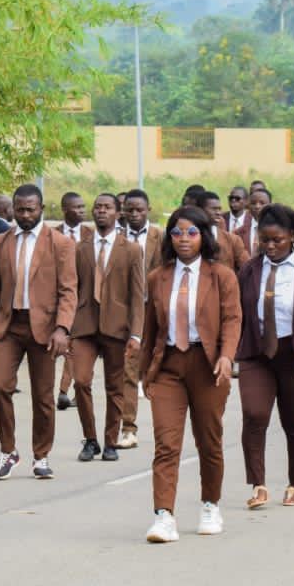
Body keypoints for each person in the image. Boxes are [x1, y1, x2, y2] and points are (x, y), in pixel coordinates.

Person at [141, 206, 241, 542]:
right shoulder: (158, 277)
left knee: (208, 441)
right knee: (166, 443)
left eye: (192, 232)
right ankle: (163, 516)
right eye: (177, 233)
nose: (184, 239)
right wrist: (145, 374)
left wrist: (227, 357)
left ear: (204, 236)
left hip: (207, 365)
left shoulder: (221, 276)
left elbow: (232, 320)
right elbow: (150, 327)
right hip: (168, 366)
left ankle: (210, 504)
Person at [236, 204, 294, 508]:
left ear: (291, 236)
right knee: (254, 414)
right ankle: (258, 485)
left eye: (277, 240)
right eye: (265, 240)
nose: (271, 247)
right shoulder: (249, 270)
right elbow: (236, 313)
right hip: (257, 353)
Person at [0, 184, 77, 480]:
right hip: (9, 326)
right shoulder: (1, 241)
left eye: (31, 209)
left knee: (43, 396)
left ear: (41, 210)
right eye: (20, 209)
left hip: (46, 329)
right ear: (12, 209)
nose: (25, 215)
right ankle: (8, 450)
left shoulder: (60, 243)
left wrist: (62, 328)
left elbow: (68, 290)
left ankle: (41, 455)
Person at [71, 194, 144, 462]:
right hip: (84, 326)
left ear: (118, 213)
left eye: (107, 207)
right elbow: (72, 289)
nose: (101, 211)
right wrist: (66, 326)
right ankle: (90, 439)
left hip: (117, 327)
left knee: (115, 387)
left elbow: (137, 295)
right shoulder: (80, 248)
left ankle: (110, 441)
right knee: (80, 381)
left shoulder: (132, 249)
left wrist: (136, 333)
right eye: (98, 207)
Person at [119, 189, 163, 449]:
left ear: (148, 210)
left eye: (139, 210)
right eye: (130, 210)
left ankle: (166, 426)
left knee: (157, 367)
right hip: (125, 310)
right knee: (128, 366)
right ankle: (128, 427)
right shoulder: (116, 237)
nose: (134, 214)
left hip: (154, 308)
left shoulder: (160, 237)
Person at [56, 192, 92, 410]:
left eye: (82, 206)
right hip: (61, 297)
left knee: (79, 346)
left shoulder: (91, 234)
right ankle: (68, 390)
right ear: (64, 209)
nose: (81, 210)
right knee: (68, 345)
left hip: (86, 299)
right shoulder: (52, 235)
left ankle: (70, 389)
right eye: (76, 207)